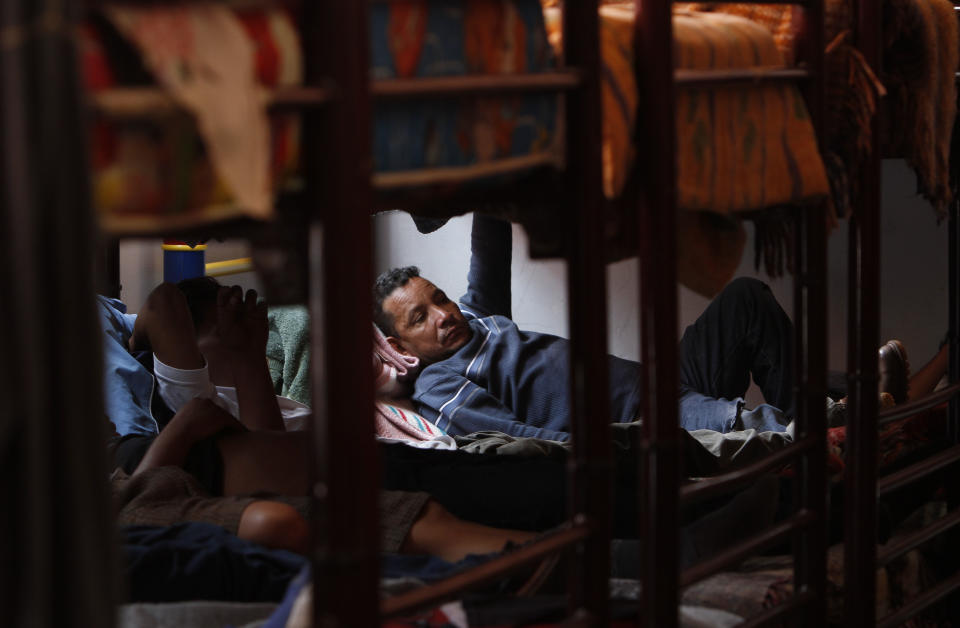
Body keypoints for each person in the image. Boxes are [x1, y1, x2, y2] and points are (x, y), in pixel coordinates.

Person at [373, 214, 909, 440]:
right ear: (400, 346)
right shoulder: (439, 384)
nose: (444, 315)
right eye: (422, 317)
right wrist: (614, 451)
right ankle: (849, 425)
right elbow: (518, 442)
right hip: (638, 418)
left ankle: (821, 415)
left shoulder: (479, 316)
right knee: (733, 420)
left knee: (744, 299)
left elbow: (488, 237)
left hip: (661, 379)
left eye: (439, 299)